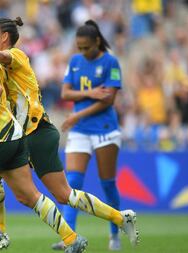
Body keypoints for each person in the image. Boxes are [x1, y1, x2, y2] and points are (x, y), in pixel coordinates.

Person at [0, 17, 139, 251]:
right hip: (19, 134)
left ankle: (118, 218)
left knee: (63, 194)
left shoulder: (16, 55)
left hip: (36, 132)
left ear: (5, 37)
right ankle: (2, 234)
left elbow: (1, 63)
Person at [53, 19, 131, 251]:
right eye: (80, 47)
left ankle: (114, 234)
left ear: (97, 41)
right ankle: (69, 238)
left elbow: (108, 99)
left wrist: (78, 113)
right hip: (79, 132)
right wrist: (90, 92)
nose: (83, 52)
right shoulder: (75, 62)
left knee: (107, 184)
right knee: (73, 184)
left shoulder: (110, 61)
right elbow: (65, 93)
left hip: (105, 129)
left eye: (87, 47)